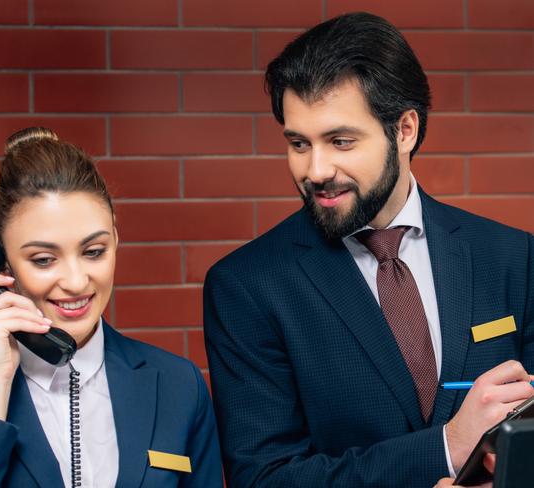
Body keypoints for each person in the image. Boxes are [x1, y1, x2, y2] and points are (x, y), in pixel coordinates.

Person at [203, 12, 534, 488]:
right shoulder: (247, 286)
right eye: (299, 143)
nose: (315, 169)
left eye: (340, 141)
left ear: (404, 131)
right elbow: (264, 479)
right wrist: (447, 446)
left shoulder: (512, 258)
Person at [0, 127, 222, 488]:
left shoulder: (178, 384)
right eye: (44, 259)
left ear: (116, 240)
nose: (76, 281)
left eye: (94, 252)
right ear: (0, 262)